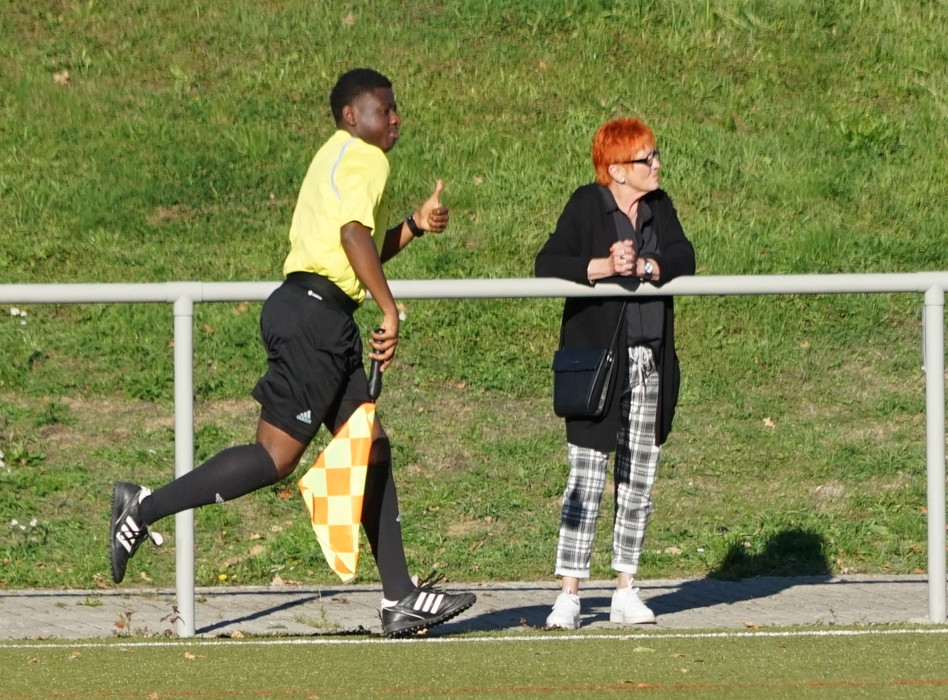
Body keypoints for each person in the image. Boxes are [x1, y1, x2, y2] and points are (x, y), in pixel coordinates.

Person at [109, 67, 475, 638]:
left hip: (311, 311)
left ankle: (399, 598)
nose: (396, 118)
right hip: (315, 320)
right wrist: (387, 309)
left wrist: (414, 226)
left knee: (371, 447)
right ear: (352, 116)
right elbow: (353, 237)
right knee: (274, 458)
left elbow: (356, 245)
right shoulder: (367, 158)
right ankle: (142, 506)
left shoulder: (333, 154)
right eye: (385, 108)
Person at [534, 117, 695, 629]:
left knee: (638, 479)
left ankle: (626, 587)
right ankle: (569, 594)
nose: (657, 165)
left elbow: (684, 256)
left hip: (649, 361)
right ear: (618, 170)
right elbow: (547, 263)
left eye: (655, 155)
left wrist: (647, 266)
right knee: (585, 477)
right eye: (647, 158)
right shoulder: (587, 204)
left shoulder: (659, 207)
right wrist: (603, 266)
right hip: (598, 365)